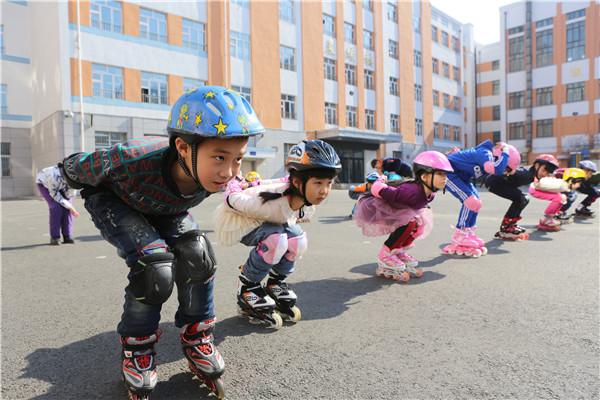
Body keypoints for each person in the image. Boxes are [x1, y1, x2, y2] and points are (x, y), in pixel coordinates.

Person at [60, 86, 265, 400]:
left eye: (238, 159)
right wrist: (63, 173)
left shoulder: (220, 174)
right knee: (154, 267)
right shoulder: (133, 157)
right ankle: (138, 348)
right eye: (220, 158)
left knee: (199, 256)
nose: (229, 171)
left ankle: (197, 335)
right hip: (117, 202)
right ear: (183, 147)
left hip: (166, 206)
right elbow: (84, 164)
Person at [215, 140, 341, 328]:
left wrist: (258, 181)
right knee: (276, 240)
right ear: (298, 183)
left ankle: (275, 283)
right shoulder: (270, 203)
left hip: (270, 221)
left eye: (329, 183)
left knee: (298, 240)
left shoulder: (303, 199)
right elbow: (232, 201)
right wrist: (233, 186)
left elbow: (277, 182)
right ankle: (248, 287)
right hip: (241, 221)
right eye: (318, 183)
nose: (324, 191)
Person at [353, 151, 454, 281]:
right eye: (440, 174)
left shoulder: (430, 194)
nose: (444, 178)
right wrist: (379, 181)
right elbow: (382, 191)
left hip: (399, 208)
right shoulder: (410, 192)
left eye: (445, 174)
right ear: (424, 177)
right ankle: (386, 254)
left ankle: (397, 250)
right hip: (377, 205)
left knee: (419, 222)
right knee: (411, 220)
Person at [443, 140, 520, 257]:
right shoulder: (485, 153)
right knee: (470, 201)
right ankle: (460, 234)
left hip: (462, 177)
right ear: (500, 155)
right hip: (449, 174)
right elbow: (496, 169)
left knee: (477, 203)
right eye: (507, 168)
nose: (505, 172)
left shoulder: (487, 155)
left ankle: (469, 232)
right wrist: (505, 153)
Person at [485, 154, 558, 240]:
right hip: (494, 183)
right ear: (537, 165)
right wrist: (509, 170)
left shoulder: (532, 174)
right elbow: (516, 172)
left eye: (549, 172)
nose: (546, 174)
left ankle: (509, 225)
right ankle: (506, 228)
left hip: (501, 183)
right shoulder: (526, 174)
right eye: (546, 169)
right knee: (522, 199)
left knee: (522, 199)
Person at [529, 167, 586, 231]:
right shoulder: (560, 185)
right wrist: (537, 181)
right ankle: (548, 218)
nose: (579, 186)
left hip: (539, 188)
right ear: (571, 180)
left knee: (562, 197)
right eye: (579, 183)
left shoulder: (564, 185)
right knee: (559, 198)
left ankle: (554, 215)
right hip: (535, 190)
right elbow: (540, 183)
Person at [36, 163, 80, 245]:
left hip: (62, 184)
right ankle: (55, 237)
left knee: (67, 210)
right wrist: (72, 208)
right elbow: (55, 195)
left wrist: (70, 207)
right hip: (45, 184)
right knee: (56, 207)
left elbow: (70, 195)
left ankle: (67, 236)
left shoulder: (76, 178)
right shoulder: (53, 176)